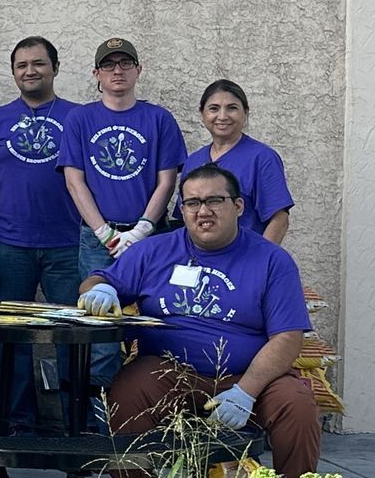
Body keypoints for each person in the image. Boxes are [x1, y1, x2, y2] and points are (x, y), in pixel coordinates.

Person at [88, 165, 319, 475]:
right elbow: (97, 279)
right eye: (192, 202)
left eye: (214, 200)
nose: (203, 211)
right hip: (168, 373)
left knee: (297, 404)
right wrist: (101, 290)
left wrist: (245, 392)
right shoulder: (154, 251)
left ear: (238, 206)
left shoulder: (272, 260)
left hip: (246, 377)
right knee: (128, 391)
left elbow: (288, 337)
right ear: (182, 210)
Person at [56, 37, 185, 419]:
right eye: (109, 65)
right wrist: (105, 233)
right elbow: (74, 180)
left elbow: (167, 180)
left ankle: (151, 419)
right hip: (98, 240)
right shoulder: (80, 119)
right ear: (96, 74)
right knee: (101, 335)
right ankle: (100, 429)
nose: (118, 71)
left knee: (158, 325)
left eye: (125, 63)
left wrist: (142, 229)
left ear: (138, 70)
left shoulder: (159, 119)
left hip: (151, 240)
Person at [0, 36, 84, 436]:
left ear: (55, 67)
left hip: (69, 245)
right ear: (13, 71)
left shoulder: (79, 117)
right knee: (11, 340)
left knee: (74, 339)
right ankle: (18, 424)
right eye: (22, 65)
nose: (30, 71)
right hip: (8, 245)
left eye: (38, 63)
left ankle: (75, 426)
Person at [184, 80, 292, 244]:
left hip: (246, 254)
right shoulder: (193, 161)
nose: (222, 116)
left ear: (245, 113)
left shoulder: (262, 158)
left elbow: (279, 219)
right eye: (214, 108)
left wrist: (260, 257)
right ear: (202, 114)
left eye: (232, 108)